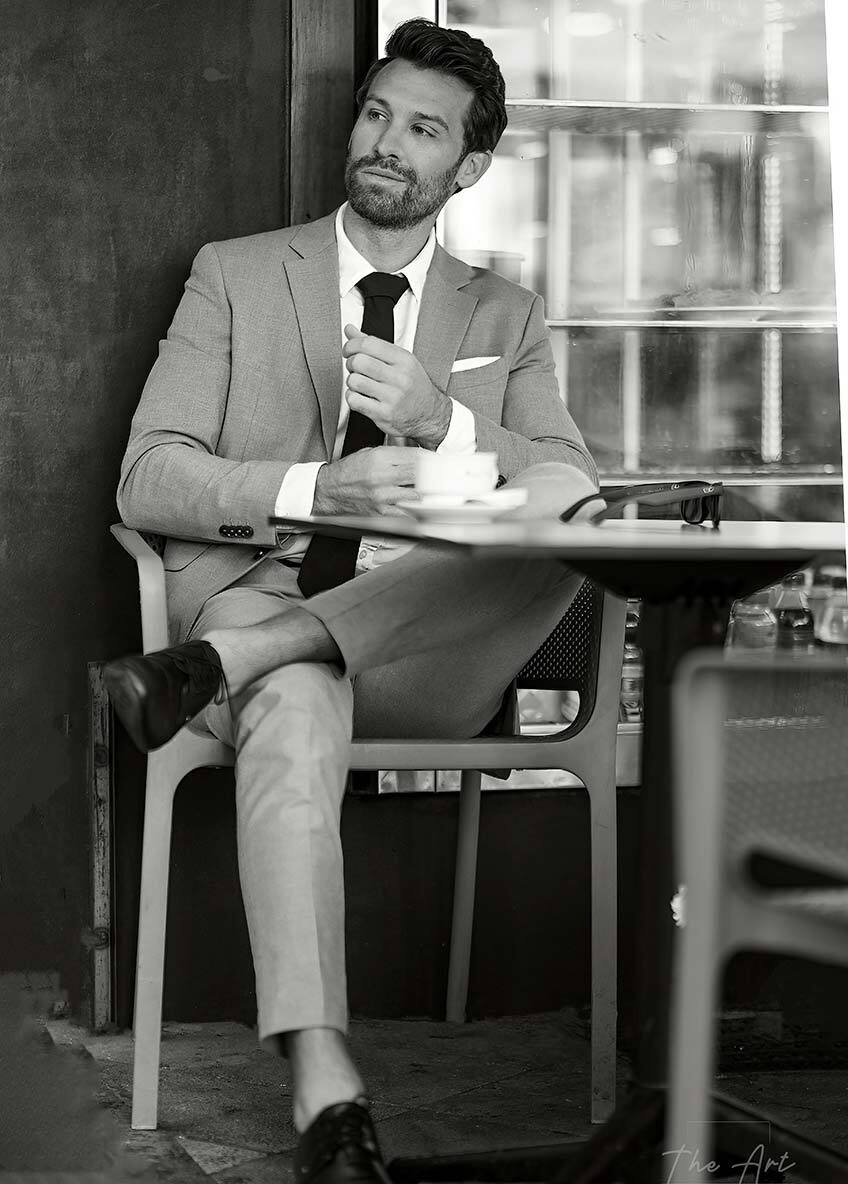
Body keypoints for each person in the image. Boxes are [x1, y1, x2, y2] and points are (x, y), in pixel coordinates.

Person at [106, 19, 601, 1184]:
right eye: (376, 113)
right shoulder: (235, 273)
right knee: (292, 689)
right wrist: (310, 488)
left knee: (572, 512)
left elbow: (569, 479)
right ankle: (329, 1093)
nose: (385, 142)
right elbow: (147, 476)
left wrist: (442, 422)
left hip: (425, 651)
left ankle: (257, 653)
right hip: (251, 604)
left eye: (422, 129)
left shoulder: (505, 314)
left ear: (467, 167)